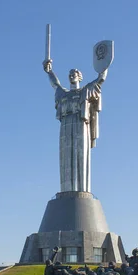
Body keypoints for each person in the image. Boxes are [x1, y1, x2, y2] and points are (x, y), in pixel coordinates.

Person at [43, 59, 107, 192]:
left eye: (75, 74)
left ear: (80, 77)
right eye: (70, 74)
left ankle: (82, 190)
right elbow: (55, 84)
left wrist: (104, 65)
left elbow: (100, 80)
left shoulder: (85, 91)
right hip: (65, 127)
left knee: (80, 155)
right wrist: (49, 71)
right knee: (66, 158)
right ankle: (67, 190)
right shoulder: (63, 94)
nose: (72, 75)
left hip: (81, 125)